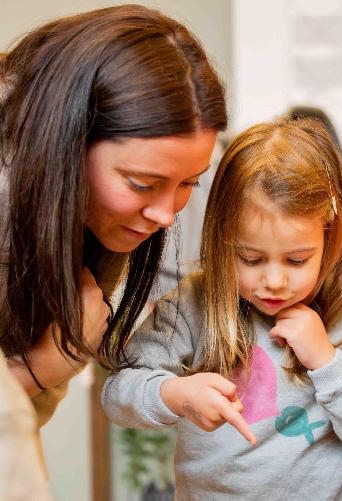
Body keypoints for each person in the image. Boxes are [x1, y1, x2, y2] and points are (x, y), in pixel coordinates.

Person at [103, 117, 342, 500]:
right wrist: (175, 393)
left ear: (331, 238)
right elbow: (118, 393)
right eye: (250, 259)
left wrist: (329, 365)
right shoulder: (193, 303)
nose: (274, 281)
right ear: (221, 240)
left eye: (296, 260)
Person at [0, 3, 226, 467]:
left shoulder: (97, 217)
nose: (165, 214)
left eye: (188, 183)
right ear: (68, 140)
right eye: (142, 184)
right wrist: (37, 370)